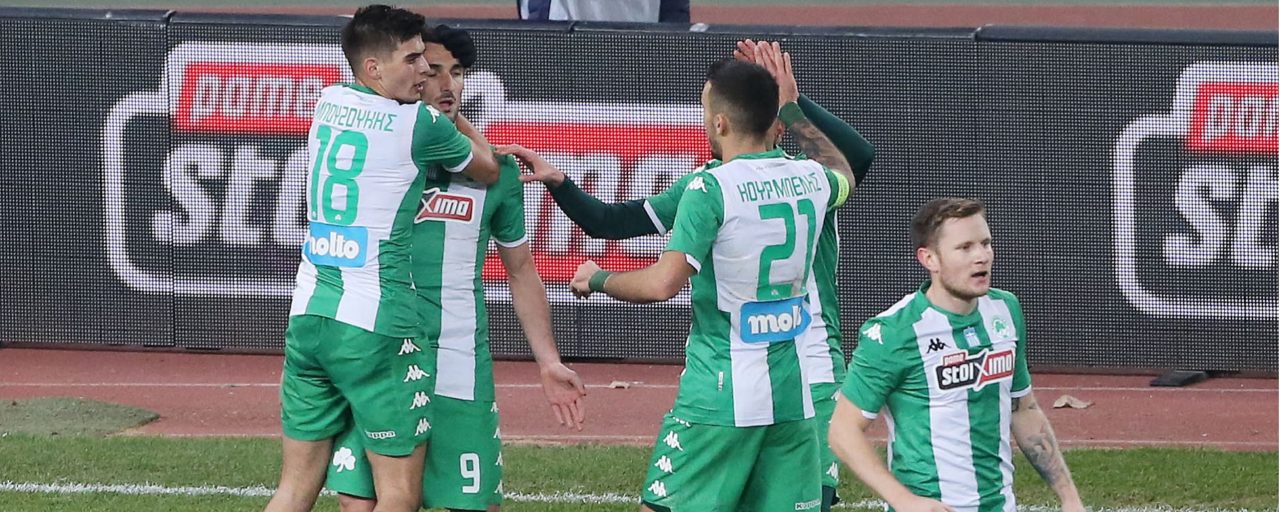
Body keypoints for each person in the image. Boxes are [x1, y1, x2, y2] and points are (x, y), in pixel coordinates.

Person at [503, 40, 873, 512]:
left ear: (721, 121)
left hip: (735, 382)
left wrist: (599, 279)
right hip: (795, 381)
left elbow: (662, 282)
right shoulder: (812, 179)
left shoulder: (711, 186)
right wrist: (561, 183)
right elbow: (849, 164)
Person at [323, 24, 589, 512]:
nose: (447, 84)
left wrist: (548, 360)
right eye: (434, 70)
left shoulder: (498, 175)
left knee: (477, 504)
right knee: (360, 503)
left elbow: (521, 270)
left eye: (459, 72)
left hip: (458, 363)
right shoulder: (384, 152)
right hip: (381, 354)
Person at [266, 6, 500, 512]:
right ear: (374, 68)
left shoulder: (329, 100)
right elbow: (487, 168)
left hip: (308, 315)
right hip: (377, 324)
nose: (426, 70)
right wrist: (451, 113)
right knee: (398, 495)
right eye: (413, 60)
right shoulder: (419, 122)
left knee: (292, 489)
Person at [828, 198, 1086, 512]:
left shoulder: (1006, 310)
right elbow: (842, 431)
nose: (981, 256)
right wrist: (904, 500)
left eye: (985, 243)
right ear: (929, 259)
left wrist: (1070, 499)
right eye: (964, 248)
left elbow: (1023, 409)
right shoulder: (893, 332)